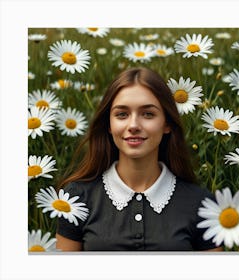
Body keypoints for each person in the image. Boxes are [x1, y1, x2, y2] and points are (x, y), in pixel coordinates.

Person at [56, 67, 222, 252]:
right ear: (109, 124)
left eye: (148, 114)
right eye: (122, 114)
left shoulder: (201, 203)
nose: (133, 125)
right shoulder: (77, 198)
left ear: (167, 123)